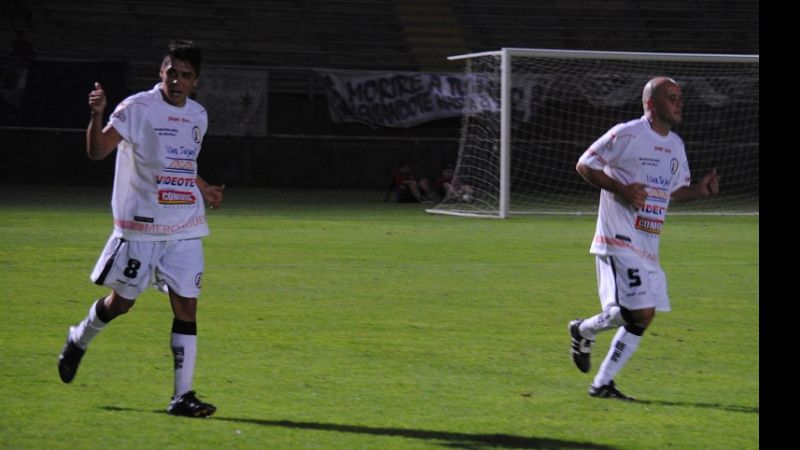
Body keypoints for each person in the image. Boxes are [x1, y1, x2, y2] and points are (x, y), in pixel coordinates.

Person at [57, 39, 225, 418]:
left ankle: (182, 396)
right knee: (122, 304)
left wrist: (205, 187)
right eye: (171, 73)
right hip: (141, 228)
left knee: (186, 305)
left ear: (195, 81)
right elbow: (98, 151)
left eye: (185, 76)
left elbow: (180, 163)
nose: (177, 81)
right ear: (160, 73)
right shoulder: (137, 108)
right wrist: (97, 115)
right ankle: (79, 337)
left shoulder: (198, 115)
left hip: (184, 225)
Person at [570, 76, 719, 400]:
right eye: (671, 97)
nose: (679, 103)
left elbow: (675, 191)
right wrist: (622, 189)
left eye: (680, 97)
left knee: (640, 315)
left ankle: (590, 350)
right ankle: (595, 367)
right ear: (651, 104)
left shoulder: (676, 145)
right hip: (617, 237)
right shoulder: (627, 134)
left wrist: (699, 191)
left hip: (648, 243)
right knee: (640, 311)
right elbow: (585, 164)